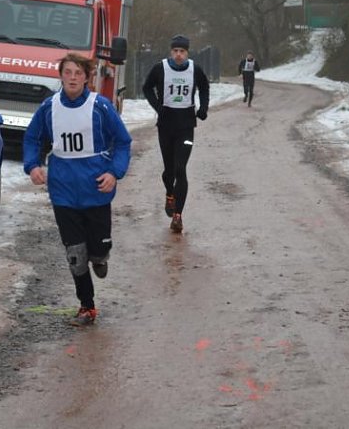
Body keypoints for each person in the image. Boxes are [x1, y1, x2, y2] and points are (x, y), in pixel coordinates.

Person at [23, 53, 131, 327]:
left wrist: (114, 173)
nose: (72, 78)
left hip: (96, 189)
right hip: (63, 191)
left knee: (97, 249)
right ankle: (87, 306)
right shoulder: (49, 107)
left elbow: (122, 141)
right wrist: (32, 165)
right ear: (61, 76)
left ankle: (101, 255)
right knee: (75, 253)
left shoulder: (101, 107)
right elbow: (33, 137)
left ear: (87, 77)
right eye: (67, 72)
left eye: (78, 73)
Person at [142, 34, 210, 232]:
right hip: (166, 125)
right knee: (169, 171)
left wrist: (203, 107)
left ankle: (178, 216)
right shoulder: (160, 68)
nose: (178, 55)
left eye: (182, 51)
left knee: (181, 169)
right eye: (175, 51)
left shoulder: (194, 69)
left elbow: (204, 87)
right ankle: (169, 194)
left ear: (187, 52)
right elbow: (147, 88)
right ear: (171, 52)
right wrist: (157, 107)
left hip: (186, 125)